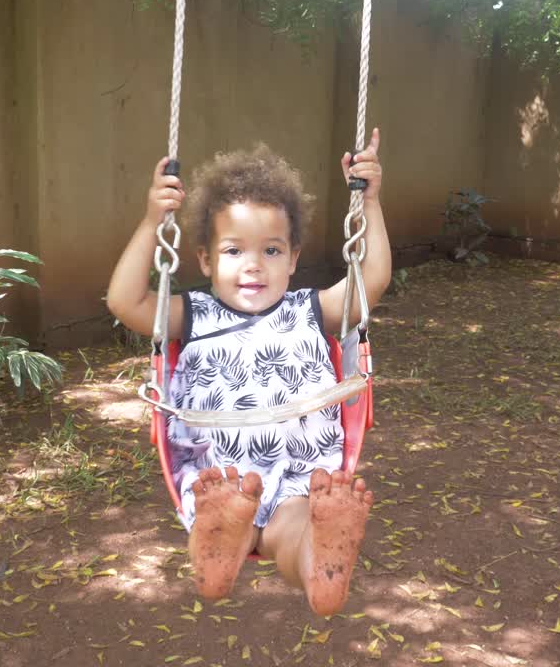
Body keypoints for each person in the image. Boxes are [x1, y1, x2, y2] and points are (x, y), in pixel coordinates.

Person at [106, 129, 390, 616]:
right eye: (234, 251)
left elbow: (372, 281)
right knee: (226, 514)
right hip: (218, 474)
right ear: (205, 260)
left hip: (302, 473)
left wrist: (372, 205)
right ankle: (221, 548)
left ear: (294, 258)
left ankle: (320, 567)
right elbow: (124, 301)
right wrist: (154, 221)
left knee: (298, 526)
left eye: (272, 251)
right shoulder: (192, 315)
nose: (254, 266)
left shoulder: (311, 309)